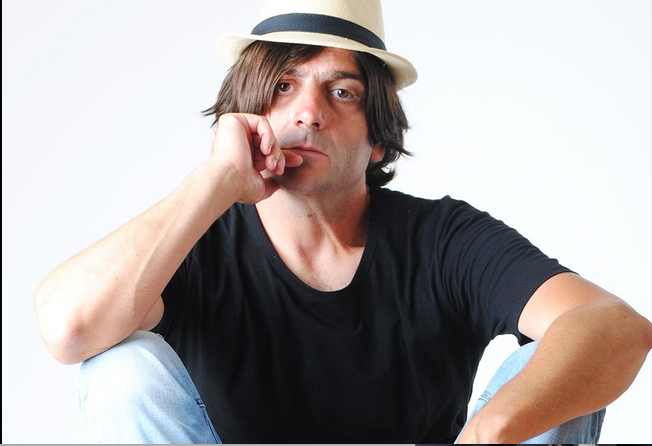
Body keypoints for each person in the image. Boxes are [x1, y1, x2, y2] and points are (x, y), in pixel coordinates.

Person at [34, 0, 652, 443]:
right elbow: (69, 330)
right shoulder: (195, 243)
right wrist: (215, 180)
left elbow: (614, 325)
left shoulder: (441, 240)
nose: (308, 113)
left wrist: (493, 431)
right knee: (119, 368)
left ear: (378, 138)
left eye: (342, 92)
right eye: (282, 86)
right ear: (246, 112)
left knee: (558, 367)